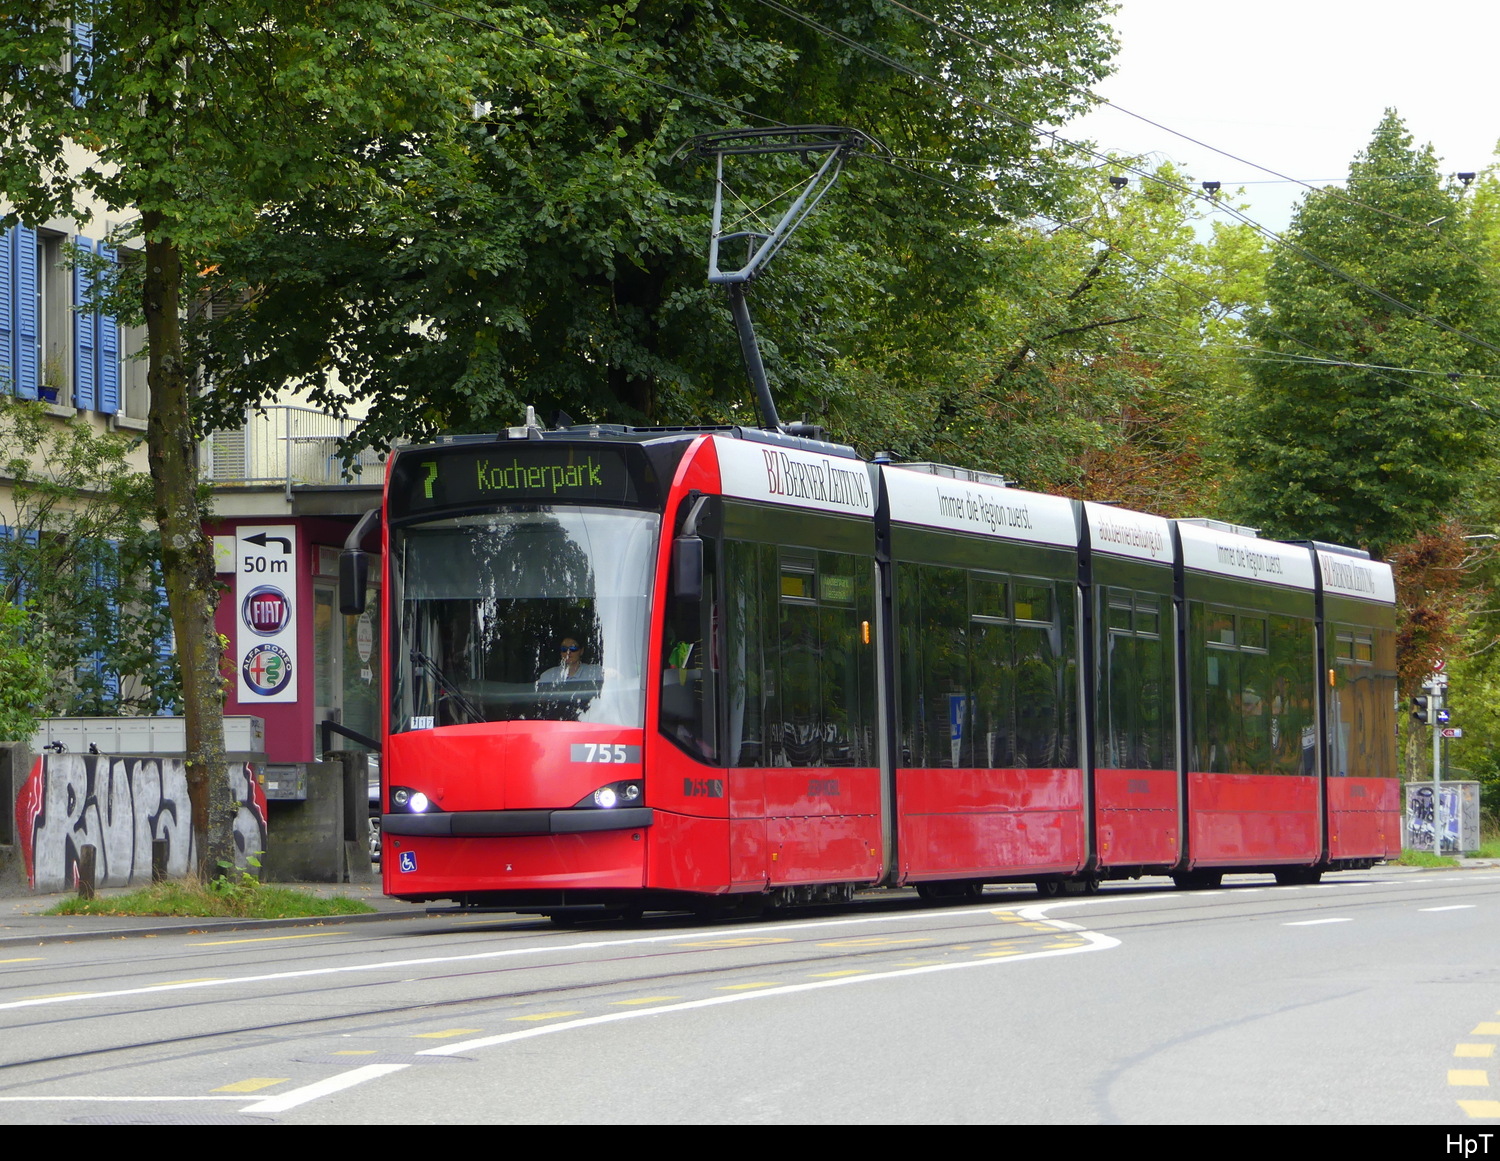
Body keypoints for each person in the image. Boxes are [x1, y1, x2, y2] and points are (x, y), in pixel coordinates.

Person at [538, 637, 604, 685]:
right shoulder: (548, 676)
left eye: (573, 648)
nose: (568, 652)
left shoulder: (595, 672)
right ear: (560, 652)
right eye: (564, 649)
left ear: (581, 651)